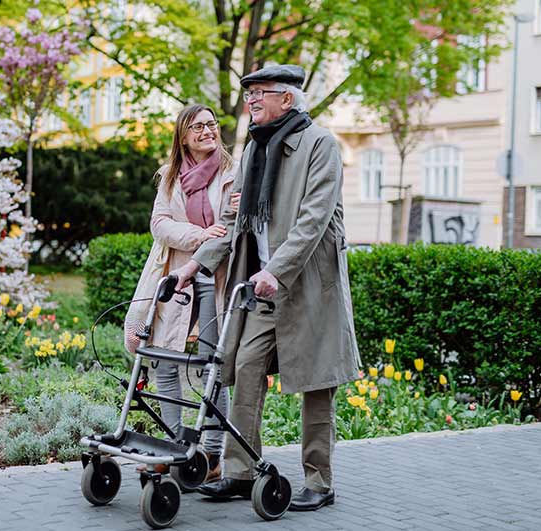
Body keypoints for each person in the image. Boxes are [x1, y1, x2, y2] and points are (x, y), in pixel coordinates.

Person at [171, 64, 361, 511]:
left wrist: (277, 269)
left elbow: (314, 220)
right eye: (248, 94)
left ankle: (319, 481)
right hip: (261, 288)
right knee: (245, 366)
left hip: (309, 287)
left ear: (287, 99)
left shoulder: (320, 145)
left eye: (260, 93)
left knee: (317, 383)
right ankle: (240, 472)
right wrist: (195, 264)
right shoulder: (255, 149)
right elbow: (234, 220)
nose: (251, 101)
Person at [124, 104, 240, 483]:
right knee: (164, 359)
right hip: (176, 275)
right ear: (184, 136)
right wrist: (199, 235)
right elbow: (159, 223)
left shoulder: (233, 174)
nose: (208, 131)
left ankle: (211, 457)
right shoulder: (170, 176)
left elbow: (233, 226)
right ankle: (173, 447)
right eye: (198, 127)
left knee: (211, 369)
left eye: (212, 124)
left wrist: (213, 238)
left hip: (216, 278)